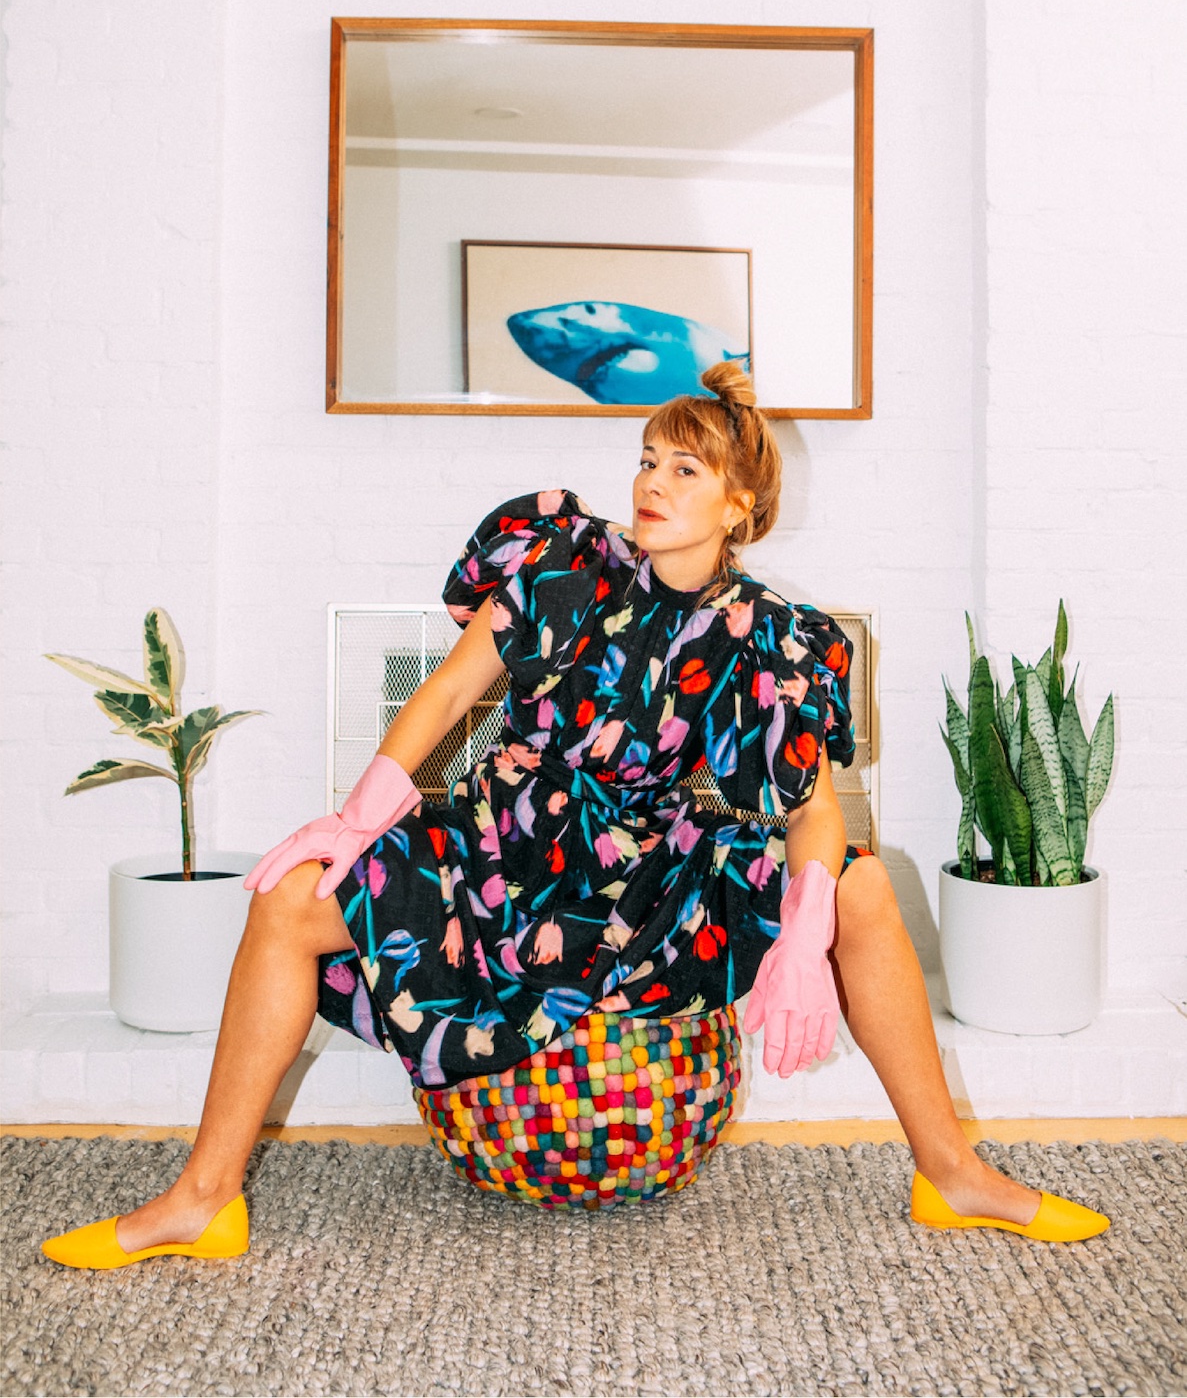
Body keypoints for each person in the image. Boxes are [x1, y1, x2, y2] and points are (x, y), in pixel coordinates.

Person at [43, 364, 1108, 1269]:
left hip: (656, 871)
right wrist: (359, 815)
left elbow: (810, 811)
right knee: (287, 897)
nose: (651, 482)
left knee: (864, 880)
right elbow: (452, 693)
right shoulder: (564, 566)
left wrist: (808, 927)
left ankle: (950, 1172)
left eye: (683, 468)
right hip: (513, 842)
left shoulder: (774, 636)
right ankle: (203, 1197)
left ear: (739, 505)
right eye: (647, 458)